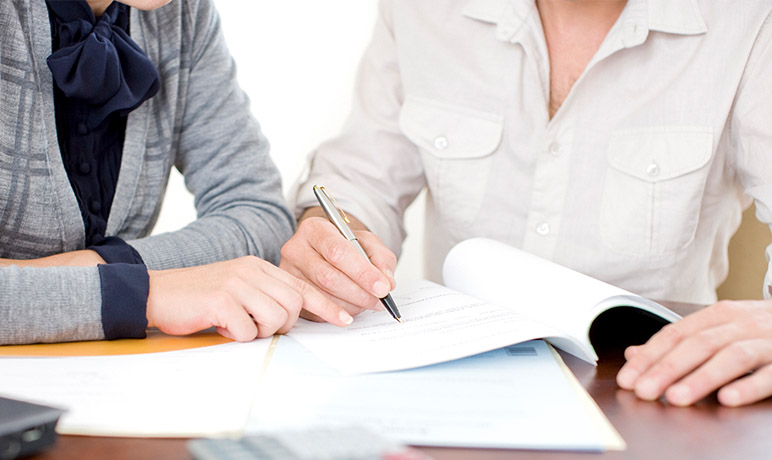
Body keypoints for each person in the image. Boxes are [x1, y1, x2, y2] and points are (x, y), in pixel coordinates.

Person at [280, 0, 772, 407]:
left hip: (649, 390)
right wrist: (331, 232)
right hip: (452, 384)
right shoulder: (420, 11)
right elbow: (360, 176)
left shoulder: (750, 21)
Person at [0, 0, 352, 350]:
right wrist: (145, 293)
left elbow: (260, 216)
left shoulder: (181, 14)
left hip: (104, 373)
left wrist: (88, 270)